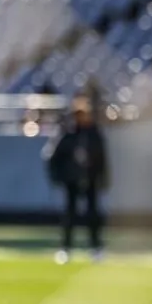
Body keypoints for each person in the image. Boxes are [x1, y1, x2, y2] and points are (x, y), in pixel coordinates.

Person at [47, 96, 109, 263]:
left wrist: (103, 178)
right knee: (70, 215)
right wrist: (59, 176)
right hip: (72, 180)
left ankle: (96, 248)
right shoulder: (68, 133)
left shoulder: (94, 132)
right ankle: (65, 248)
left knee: (93, 215)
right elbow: (53, 156)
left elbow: (102, 158)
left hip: (90, 178)